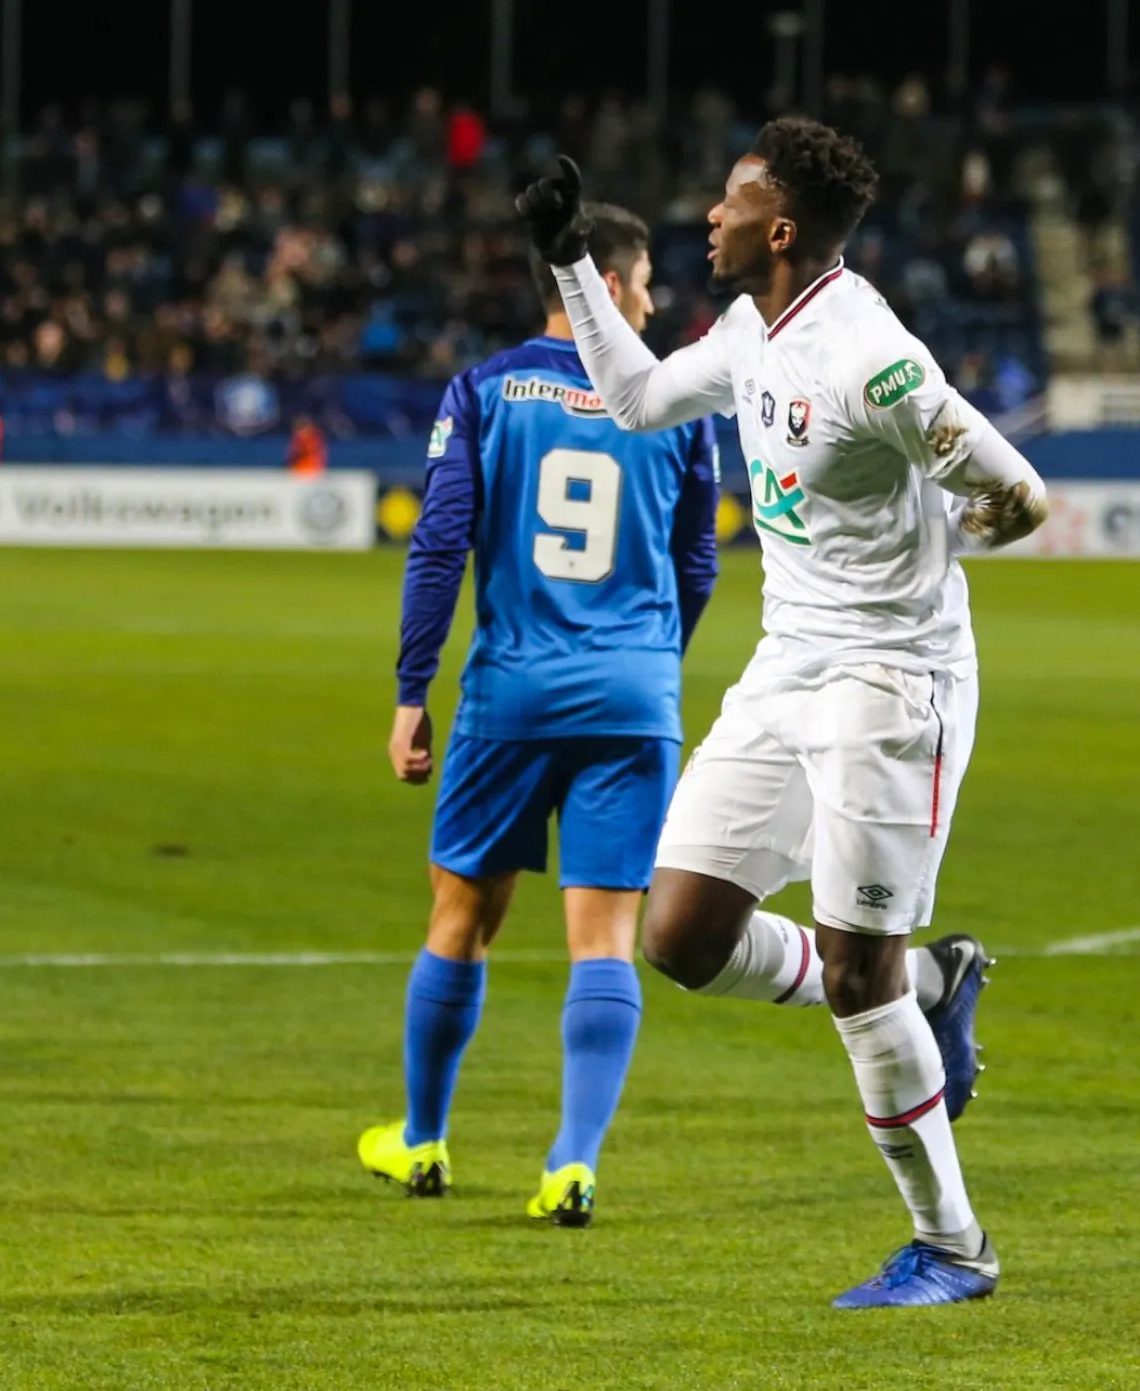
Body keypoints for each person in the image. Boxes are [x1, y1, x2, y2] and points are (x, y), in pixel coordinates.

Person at [516, 121, 1048, 1307]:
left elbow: (1019, 489)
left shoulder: (871, 358)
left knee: (854, 975)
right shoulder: (754, 328)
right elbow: (637, 397)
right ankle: (931, 979)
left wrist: (936, 560)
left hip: (886, 681)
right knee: (680, 934)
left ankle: (954, 1245)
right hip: (786, 665)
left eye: (732, 199)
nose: (711, 216)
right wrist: (566, 263)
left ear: (784, 226)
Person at [357, 203, 721, 1227]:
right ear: (604, 286)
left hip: (510, 693)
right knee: (602, 936)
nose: (652, 300)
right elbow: (699, 562)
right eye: (643, 281)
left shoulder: (484, 389)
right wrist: (648, 663)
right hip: (633, 696)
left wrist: (408, 687)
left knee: (460, 918)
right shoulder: (675, 404)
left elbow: (438, 545)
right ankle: (571, 1160)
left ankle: (421, 1138)